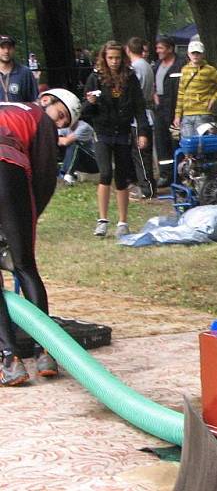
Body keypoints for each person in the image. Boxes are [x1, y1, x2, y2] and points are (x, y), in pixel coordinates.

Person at [0, 88, 82, 385]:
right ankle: (45, 349)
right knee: (25, 266)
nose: (59, 124)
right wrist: (27, 216)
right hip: (10, 172)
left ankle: (9, 359)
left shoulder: (9, 109)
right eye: (61, 116)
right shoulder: (39, 116)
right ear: (47, 100)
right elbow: (46, 175)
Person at [82, 40, 150, 238]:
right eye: (110, 58)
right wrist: (91, 102)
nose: (113, 61)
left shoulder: (130, 78)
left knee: (122, 177)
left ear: (123, 59)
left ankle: (123, 221)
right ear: (104, 58)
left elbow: (139, 107)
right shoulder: (95, 78)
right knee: (105, 173)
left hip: (122, 132)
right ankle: (102, 220)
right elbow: (85, 110)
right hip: (102, 132)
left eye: (117, 58)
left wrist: (143, 132)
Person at [173, 40, 217, 139]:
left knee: (201, 144)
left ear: (203, 54)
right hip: (187, 114)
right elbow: (181, 93)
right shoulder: (184, 69)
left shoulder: (209, 70)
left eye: (198, 53)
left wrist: (214, 99)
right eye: (193, 53)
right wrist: (177, 115)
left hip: (203, 112)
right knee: (187, 144)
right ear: (188, 54)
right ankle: (188, 155)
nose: (195, 55)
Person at [126, 37, 156, 198]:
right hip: (146, 112)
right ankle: (146, 185)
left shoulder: (136, 67)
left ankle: (146, 188)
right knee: (142, 155)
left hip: (139, 115)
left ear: (128, 50)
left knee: (141, 155)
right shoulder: (147, 65)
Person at [152, 35, 183, 187]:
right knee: (161, 141)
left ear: (170, 48)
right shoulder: (157, 64)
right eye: (157, 48)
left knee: (175, 141)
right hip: (160, 108)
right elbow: (154, 84)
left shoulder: (181, 64)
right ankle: (165, 174)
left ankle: (179, 174)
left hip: (176, 106)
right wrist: (155, 95)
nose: (158, 51)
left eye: (161, 48)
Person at [57, 117, 98, 185]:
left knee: (74, 145)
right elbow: (52, 138)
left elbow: (66, 142)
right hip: (79, 162)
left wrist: (61, 139)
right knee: (53, 147)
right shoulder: (65, 127)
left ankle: (67, 175)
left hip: (94, 162)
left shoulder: (84, 127)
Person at [0, 35, 37, 102]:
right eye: (2, 48)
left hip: (19, 112)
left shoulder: (25, 73)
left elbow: (34, 101)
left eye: (9, 47)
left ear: (14, 49)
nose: (6, 51)